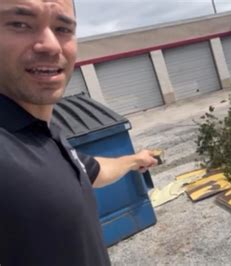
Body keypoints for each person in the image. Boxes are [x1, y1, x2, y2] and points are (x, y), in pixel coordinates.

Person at [0, 0, 158, 265]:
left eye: (63, 28)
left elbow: (90, 171)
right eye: (20, 24)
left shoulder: (47, 134)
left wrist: (134, 160)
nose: (51, 45)